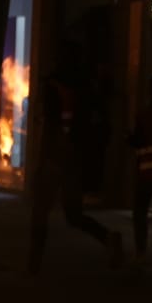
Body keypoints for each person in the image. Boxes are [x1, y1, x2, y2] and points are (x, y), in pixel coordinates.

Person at [29, 70, 121, 271]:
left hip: (62, 163)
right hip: (63, 163)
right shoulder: (71, 103)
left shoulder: (71, 104)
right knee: (62, 214)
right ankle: (34, 261)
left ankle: (34, 264)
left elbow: (61, 133)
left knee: (56, 214)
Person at [129, 75, 152, 260]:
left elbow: (137, 141)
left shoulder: (144, 115)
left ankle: (141, 252)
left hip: (148, 172)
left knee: (140, 213)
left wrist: (128, 138)